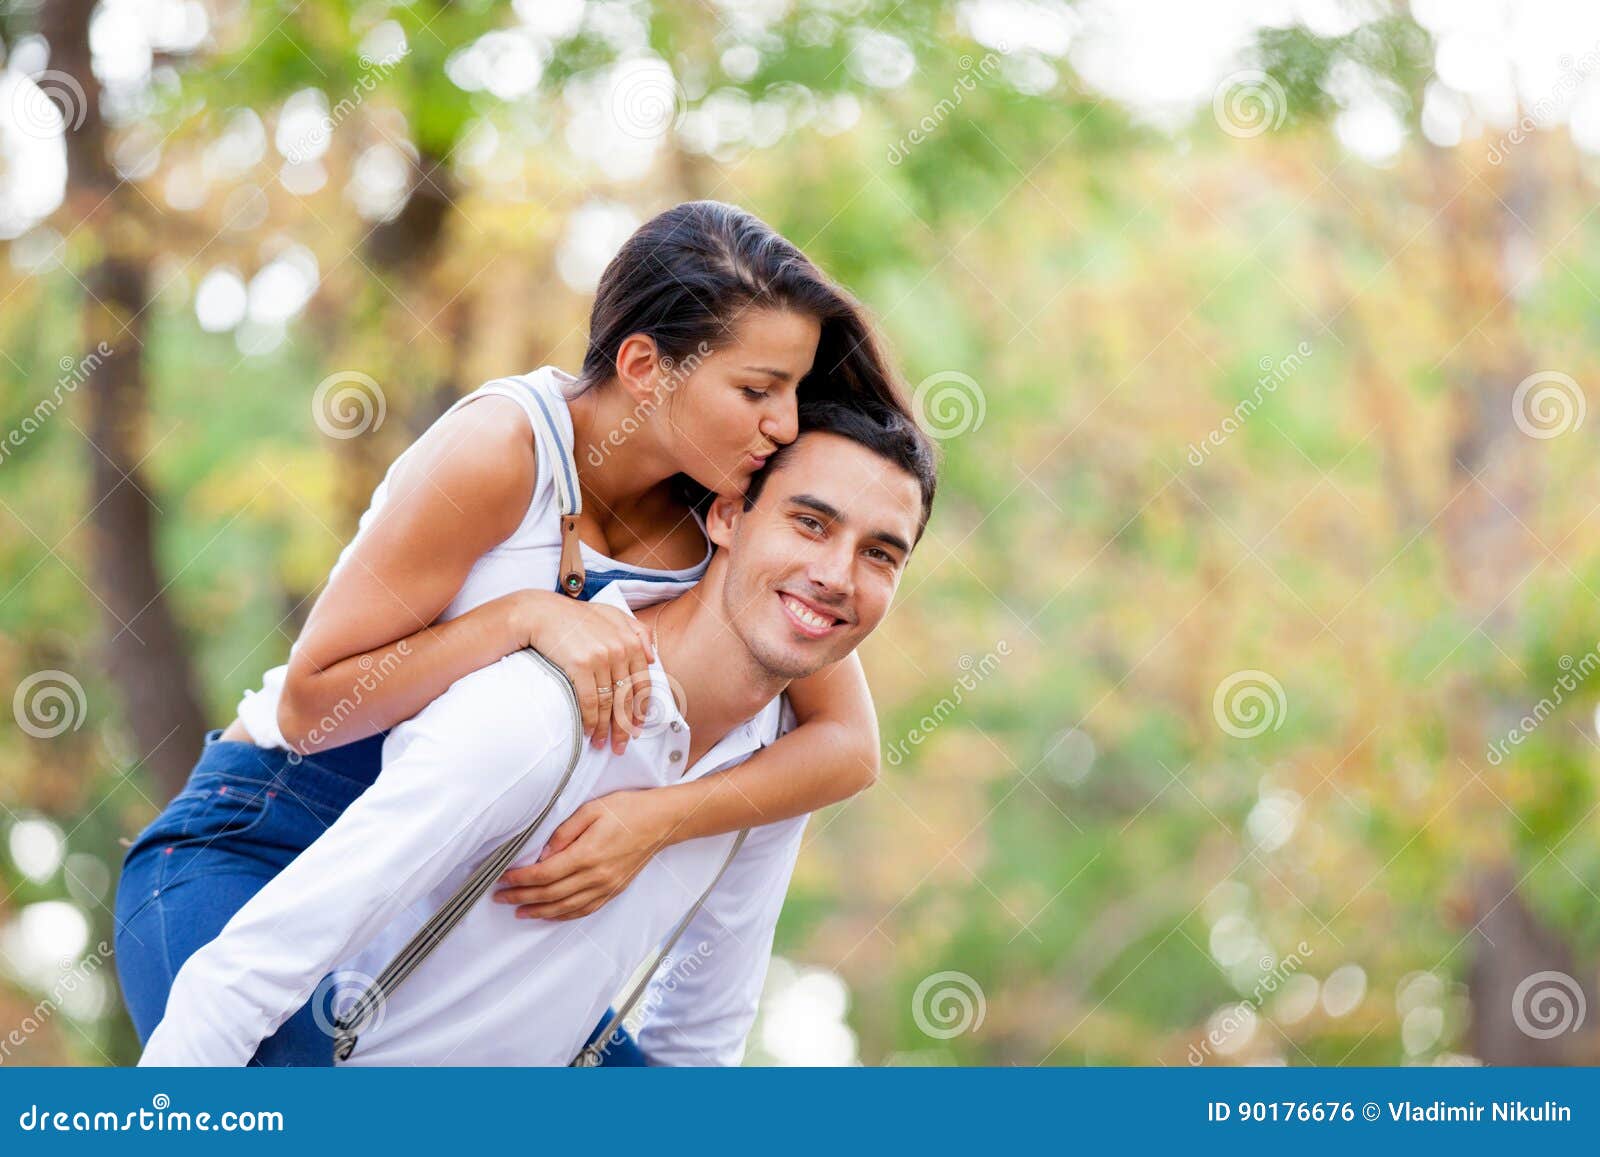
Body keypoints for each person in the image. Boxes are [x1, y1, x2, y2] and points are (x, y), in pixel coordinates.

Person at [114, 200, 912, 1065]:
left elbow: (845, 747)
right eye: (757, 391)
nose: (786, 424)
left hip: (458, 900)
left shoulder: (720, 497)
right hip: (276, 833)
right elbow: (313, 706)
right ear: (645, 365)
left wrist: (657, 820)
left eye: (793, 390)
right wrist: (525, 619)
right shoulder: (505, 450)